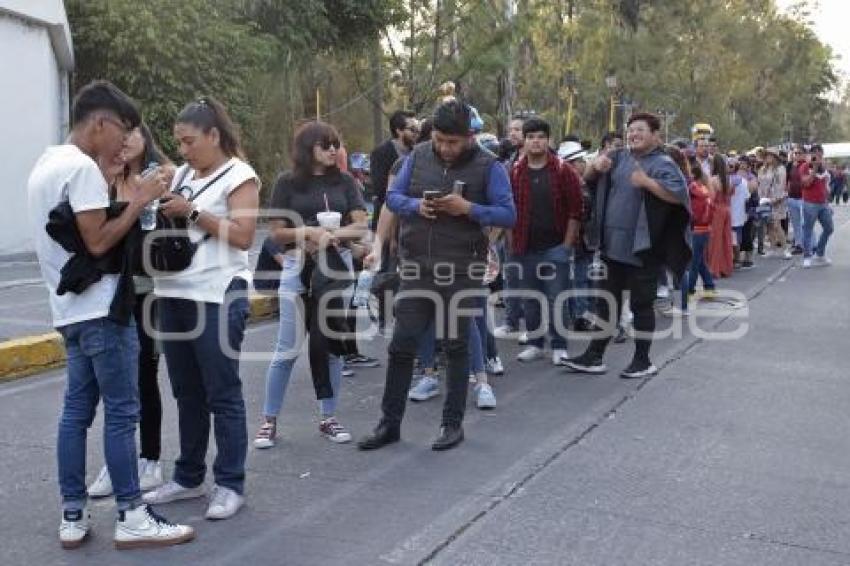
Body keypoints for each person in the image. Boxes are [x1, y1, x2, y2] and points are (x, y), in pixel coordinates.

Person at [27, 80, 193, 549]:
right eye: (121, 129)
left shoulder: (48, 163)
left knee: (75, 413)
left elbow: (75, 237)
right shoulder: (79, 168)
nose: (125, 140)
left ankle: (73, 514)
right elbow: (99, 240)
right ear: (99, 123)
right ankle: (131, 513)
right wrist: (139, 199)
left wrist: (112, 176)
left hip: (69, 312)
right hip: (103, 310)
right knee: (123, 412)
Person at [358, 99, 516, 452]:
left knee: (456, 345)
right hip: (416, 267)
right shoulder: (418, 155)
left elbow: (508, 215)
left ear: (470, 137)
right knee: (401, 346)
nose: (445, 148)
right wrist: (417, 206)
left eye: (453, 142)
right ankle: (389, 423)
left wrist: (469, 209)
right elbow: (392, 197)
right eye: (441, 140)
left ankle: (451, 423)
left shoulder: (489, 166)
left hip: (461, 269)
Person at [142, 96, 260, 522]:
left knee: (221, 391)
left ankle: (230, 483)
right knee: (186, 390)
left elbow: (245, 236)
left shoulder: (240, 175)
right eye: (179, 143)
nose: (184, 151)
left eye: (190, 142)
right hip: (175, 293)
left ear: (214, 135)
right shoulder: (186, 172)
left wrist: (192, 210)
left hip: (217, 294)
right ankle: (188, 476)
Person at [253, 121, 369, 449]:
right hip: (296, 268)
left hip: (336, 269)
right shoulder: (287, 183)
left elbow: (360, 226)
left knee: (330, 346)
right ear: (308, 149)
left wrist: (330, 236)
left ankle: (328, 417)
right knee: (286, 348)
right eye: (325, 145)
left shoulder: (346, 181)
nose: (333, 150)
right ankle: (268, 420)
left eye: (335, 144)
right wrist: (307, 233)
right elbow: (276, 233)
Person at [565, 113, 690, 379]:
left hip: (643, 247)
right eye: (631, 130)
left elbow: (678, 196)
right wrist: (595, 167)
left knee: (641, 305)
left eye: (640, 130)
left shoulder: (663, 163)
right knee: (605, 303)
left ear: (656, 135)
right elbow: (586, 178)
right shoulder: (619, 156)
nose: (633, 134)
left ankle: (643, 360)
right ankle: (594, 356)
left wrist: (647, 183)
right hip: (612, 246)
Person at [88, 123, 171, 499]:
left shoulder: (159, 178)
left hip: (147, 291)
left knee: (144, 376)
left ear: (145, 138)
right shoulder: (103, 179)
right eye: (122, 135)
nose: (126, 142)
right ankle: (118, 460)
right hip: (109, 294)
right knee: (115, 382)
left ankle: (150, 460)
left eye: (134, 133)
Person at [509, 117, 582, 365]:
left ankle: (559, 345)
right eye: (530, 137)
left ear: (548, 140)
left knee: (556, 298)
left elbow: (576, 211)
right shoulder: (516, 171)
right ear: (525, 142)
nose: (535, 142)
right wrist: (510, 244)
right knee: (530, 298)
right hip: (524, 247)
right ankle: (535, 343)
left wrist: (566, 246)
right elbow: (509, 210)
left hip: (556, 248)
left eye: (540, 137)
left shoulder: (563, 170)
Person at [370, 111, 418, 229]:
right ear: (399, 130)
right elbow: (380, 189)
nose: (416, 133)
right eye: (412, 129)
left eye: (417, 130)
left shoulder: (417, 153)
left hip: (410, 221)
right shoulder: (381, 153)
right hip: (387, 221)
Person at [686, 157, 716, 299]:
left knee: (694, 262)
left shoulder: (692, 190)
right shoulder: (704, 189)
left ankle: (689, 290)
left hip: (696, 228)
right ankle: (709, 287)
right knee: (699, 259)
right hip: (705, 228)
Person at [800, 144, 834, 267]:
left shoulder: (824, 168)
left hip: (823, 203)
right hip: (810, 203)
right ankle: (807, 256)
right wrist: (814, 169)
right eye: (815, 152)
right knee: (808, 230)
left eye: (820, 152)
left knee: (829, 228)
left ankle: (819, 253)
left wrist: (828, 203)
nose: (818, 154)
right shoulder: (805, 166)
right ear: (811, 154)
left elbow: (826, 186)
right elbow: (806, 183)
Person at [756, 148, 788, 257]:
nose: (768, 157)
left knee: (777, 224)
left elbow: (781, 185)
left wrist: (776, 199)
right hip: (764, 200)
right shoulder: (762, 169)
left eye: (770, 155)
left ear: (775, 157)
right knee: (768, 224)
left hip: (776, 200)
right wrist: (760, 198)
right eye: (766, 155)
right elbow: (759, 184)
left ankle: (785, 249)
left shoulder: (780, 169)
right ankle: (772, 248)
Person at [707, 153, 734, 277]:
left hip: (717, 210)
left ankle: (714, 268)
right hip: (727, 210)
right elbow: (731, 194)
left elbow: (711, 198)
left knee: (715, 240)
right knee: (725, 239)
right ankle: (725, 267)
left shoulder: (712, 180)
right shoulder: (728, 179)